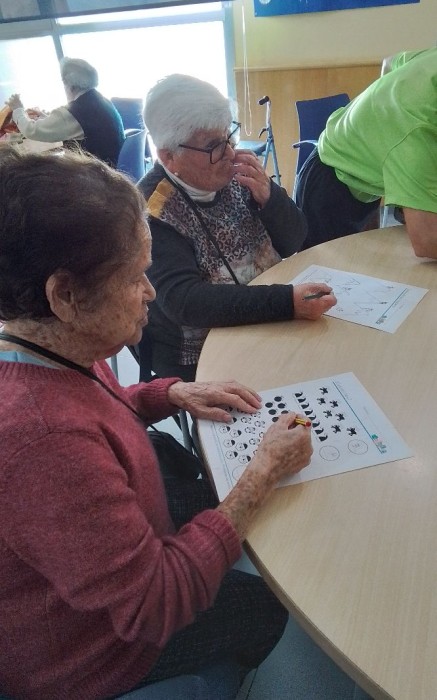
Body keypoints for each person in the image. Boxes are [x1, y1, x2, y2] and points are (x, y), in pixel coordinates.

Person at [0, 145, 315, 700]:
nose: (151, 293)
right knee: (275, 607)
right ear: (65, 295)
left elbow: (92, 400)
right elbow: (156, 604)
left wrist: (168, 391)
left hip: (127, 549)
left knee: (233, 506)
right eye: (135, 278)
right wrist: (261, 474)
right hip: (100, 654)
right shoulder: (42, 440)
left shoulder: (45, 339)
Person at [137, 73, 337, 382]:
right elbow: (186, 302)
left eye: (229, 136)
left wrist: (270, 198)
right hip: (201, 353)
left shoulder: (237, 174)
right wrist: (286, 303)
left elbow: (295, 240)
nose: (230, 153)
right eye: (213, 146)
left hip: (269, 316)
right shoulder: (153, 211)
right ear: (169, 156)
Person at [294, 48, 437, 257]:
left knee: (368, 263)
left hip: (363, 183)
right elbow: (426, 240)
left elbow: (389, 63)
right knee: (321, 270)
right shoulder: (415, 131)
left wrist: (377, 128)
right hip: (328, 187)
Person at [6, 57, 125, 166]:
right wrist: (46, 117)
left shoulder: (76, 111)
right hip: (113, 167)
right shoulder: (101, 100)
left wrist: (17, 108)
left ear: (70, 85)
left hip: (97, 173)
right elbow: (75, 126)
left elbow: (31, 130)